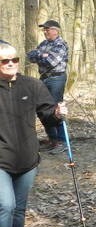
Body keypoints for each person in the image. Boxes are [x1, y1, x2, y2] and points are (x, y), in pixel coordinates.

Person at [0, 42, 67, 227]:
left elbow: (49, 115)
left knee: (18, 211)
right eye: (4, 61)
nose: (10, 64)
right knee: (5, 207)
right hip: (1, 161)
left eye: (14, 60)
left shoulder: (32, 85)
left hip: (28, 159)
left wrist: (58, 113)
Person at [26, 20, 69, 152]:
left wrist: (41, 55)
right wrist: (41, 55)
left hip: (56, 79)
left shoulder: (60, 44)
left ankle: (62, 141)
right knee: (42, 109)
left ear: (55, 30)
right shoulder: (44, 44)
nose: (45, 31)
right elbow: (30, 57)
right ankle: (52, 139)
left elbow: (51, 61)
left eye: (47, 29)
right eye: (44, 29)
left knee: (55, 109)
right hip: (44, 78)